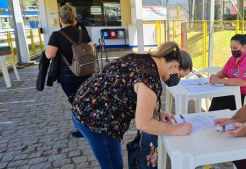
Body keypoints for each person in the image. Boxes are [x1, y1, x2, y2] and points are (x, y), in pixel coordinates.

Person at [71, 41, 194, 168]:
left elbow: (134, 93)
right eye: (179, 76)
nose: (177, 80)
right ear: (175, 66)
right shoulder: (150, 80)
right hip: (95, 121)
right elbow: (143, 123)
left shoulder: (142, 58)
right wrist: (176, 129)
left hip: (82, 106)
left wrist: (158, 112)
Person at [45, 4, 94, 138]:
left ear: (61, 19)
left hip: (68, 74)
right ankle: (92, 125)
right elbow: (91, 50)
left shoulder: (56, 35)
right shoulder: (82, 33)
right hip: (86, 72)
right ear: (75, 18)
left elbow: (50, 55)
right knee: (86, 99)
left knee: (76, 102)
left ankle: (82, 130)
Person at [209, 34, 246, 111]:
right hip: (233, 92)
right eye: (231, 47)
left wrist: (219, 81)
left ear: (244, 47)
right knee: (216, 100)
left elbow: (242, 81)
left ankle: (221, 122)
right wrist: (215, 77)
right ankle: (210, 121)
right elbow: (224, 72)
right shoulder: (233, 59)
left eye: (235, 48)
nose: (233, 50)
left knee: (224, 107)